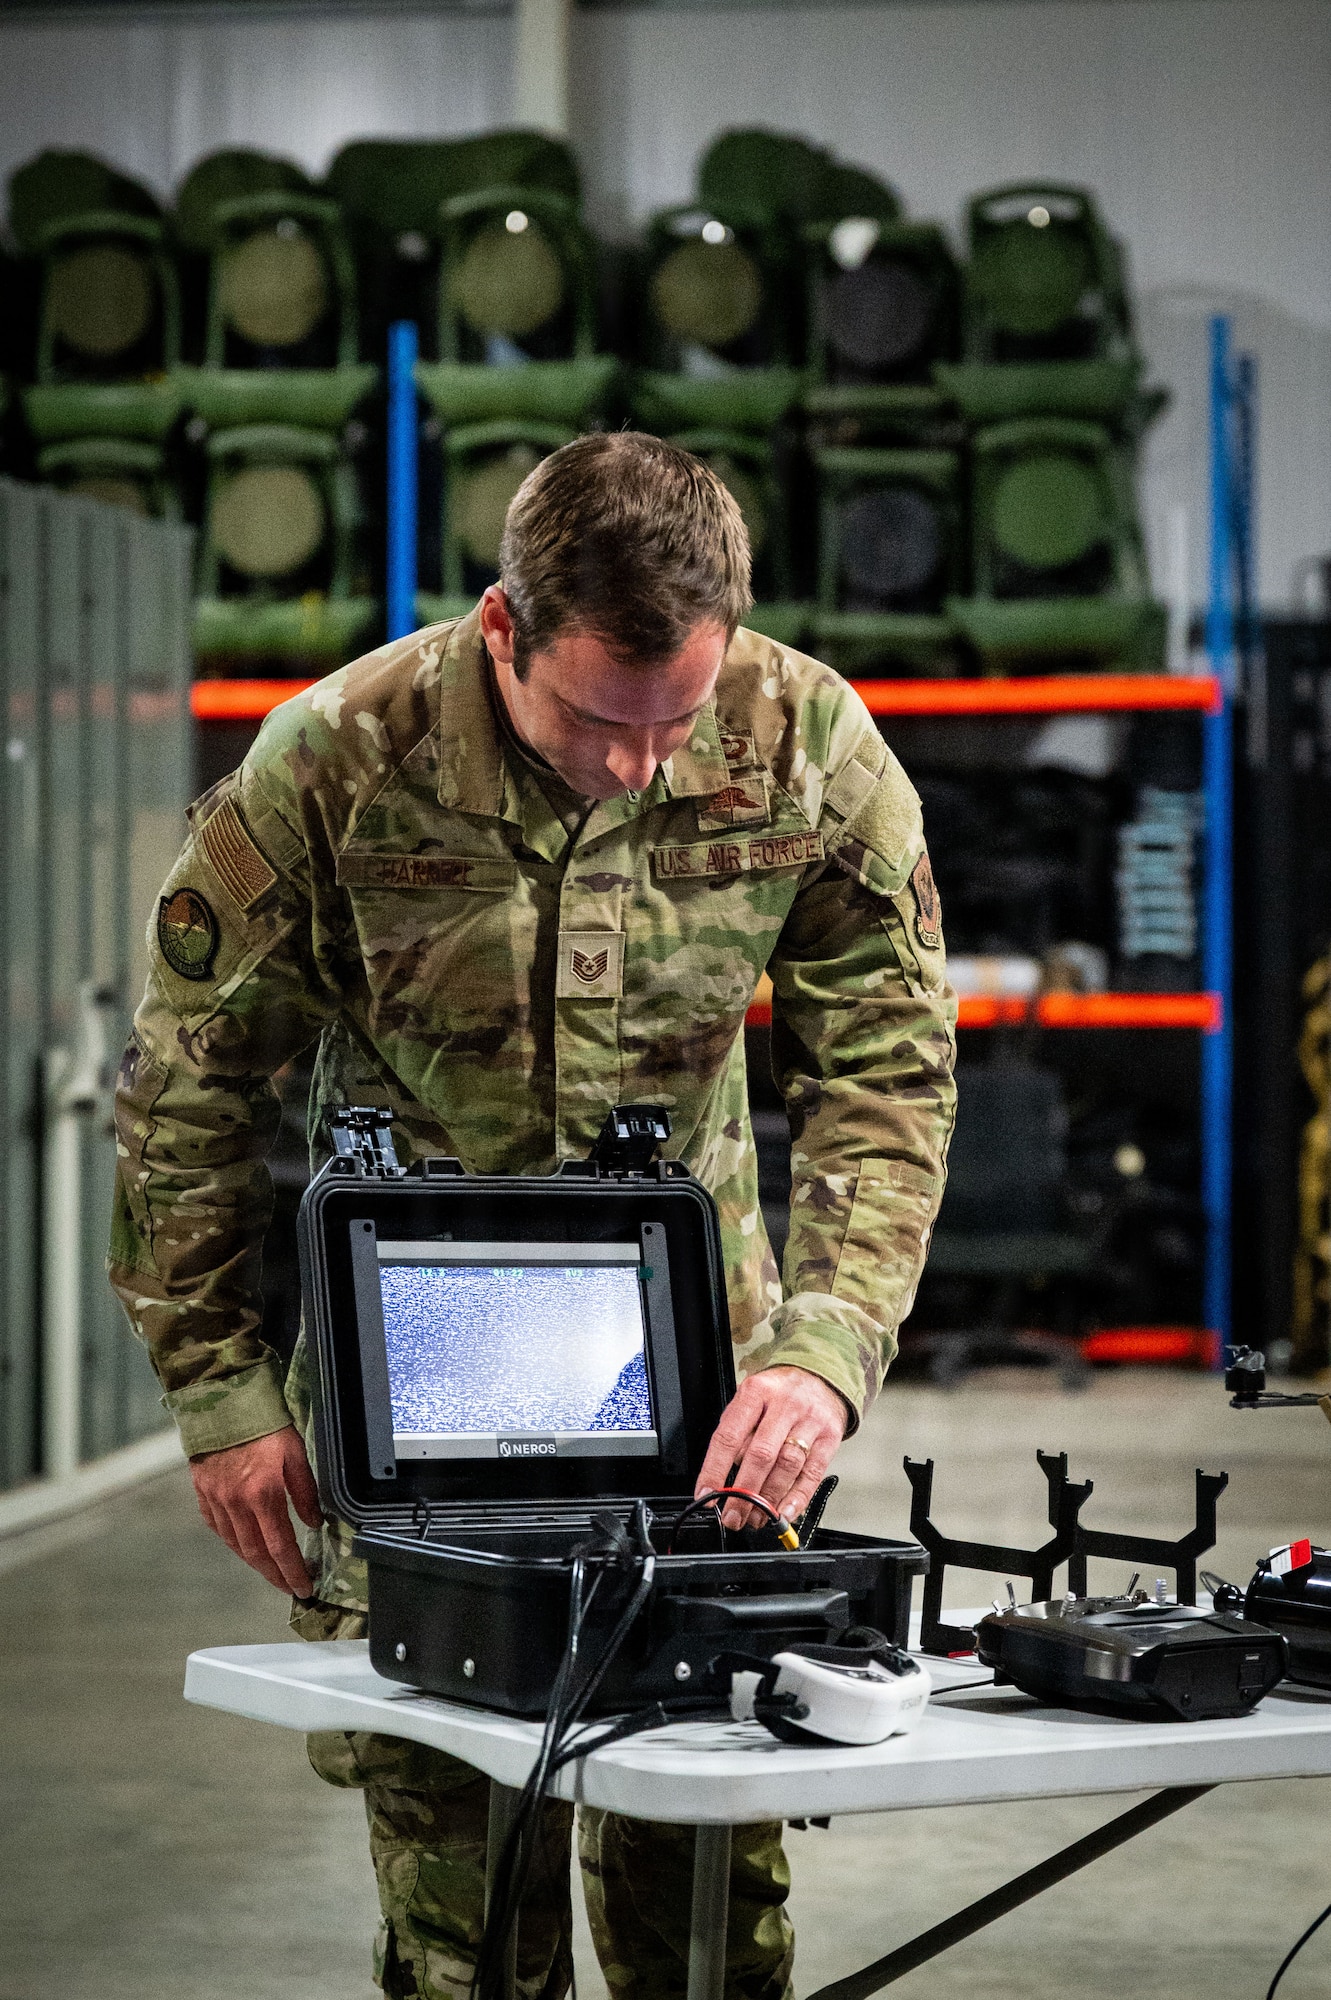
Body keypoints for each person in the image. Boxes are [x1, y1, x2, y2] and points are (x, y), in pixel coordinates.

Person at [110, 431, 956, 2000]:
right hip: (415, 1399)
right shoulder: (335, 764)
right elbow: (189, 1098)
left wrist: (825, 1345)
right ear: (503, 632)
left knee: (709, 1910)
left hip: (706, 1403)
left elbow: (889, 1075)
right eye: (593, 717)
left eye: (677, 718)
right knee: (468, 1927)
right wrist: (221, 1393)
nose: (639, 764)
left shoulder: (811, 745)